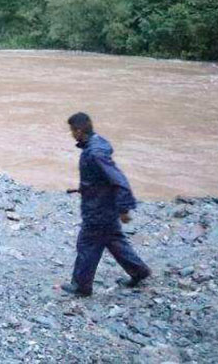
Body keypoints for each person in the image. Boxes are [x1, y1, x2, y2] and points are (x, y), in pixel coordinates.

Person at [61, 112, 151, 297]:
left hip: (98, 210)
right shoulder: (97, 144)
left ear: (79, 131)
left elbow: (119, 180)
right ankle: (139, 271)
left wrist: (124, 208)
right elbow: (102, 178)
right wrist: (85, 188)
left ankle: (81, 286)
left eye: (72, 131)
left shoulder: (94, 153)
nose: (71, 134)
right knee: (114, 240)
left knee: (87, 244)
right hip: (104, 206)